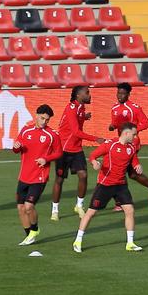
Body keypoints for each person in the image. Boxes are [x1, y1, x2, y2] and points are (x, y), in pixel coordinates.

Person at [72, 123, 143, 253]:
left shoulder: (131, 148)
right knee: (91, 212)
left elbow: (134, 160)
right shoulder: (110, 145)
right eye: (134, 134)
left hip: (121, 185)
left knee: (130, 210)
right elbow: (93, 155)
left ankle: (130, 243)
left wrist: (138, 166)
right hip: (105, 185)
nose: (135, 136)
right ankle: (78, 240)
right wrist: (95, 163)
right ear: (126, 133)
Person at [12, 104, 61, 247]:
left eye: (47, 120)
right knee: (20, 208)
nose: (44, 122)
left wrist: (46, 159)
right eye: (42, 118)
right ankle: (29, 235)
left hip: (39, 176)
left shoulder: (52, 135)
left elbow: (59, 152)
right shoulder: (26, 130)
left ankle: (35, 229)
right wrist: (16, 147)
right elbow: (17, 148)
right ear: (36, 115)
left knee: (28, 206)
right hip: (23, 175)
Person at [109, 82, 148, 207]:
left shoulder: (134, 107)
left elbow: (146, 123)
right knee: (132, 174)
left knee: (118, 171)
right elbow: (115, 124)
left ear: (129, 94)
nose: (120, 96)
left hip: (132, 142)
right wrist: (112, 126)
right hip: (121, 142)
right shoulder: (114, 108)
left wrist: (132, 131)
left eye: (123, 93)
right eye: (119, 93)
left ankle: (121, 202)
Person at [51, 85, 102, 221]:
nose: (89, 95)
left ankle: (79, 206)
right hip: (63, 149)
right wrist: (95, 138)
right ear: (79, 96)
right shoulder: (71, 108)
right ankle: (55, 209)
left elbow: (75, 120)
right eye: (87, 93)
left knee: (83, 175)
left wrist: (84, 117)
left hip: (76, 148)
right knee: (60, 179)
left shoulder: (80, 108)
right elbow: (75, 132)